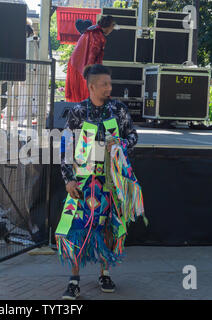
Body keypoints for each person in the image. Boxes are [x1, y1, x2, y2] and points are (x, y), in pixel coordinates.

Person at [56, 64, 146, 300]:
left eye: (110, 83)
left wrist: (120, 145)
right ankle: (74, 280)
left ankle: (105, 273)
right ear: (92, 86)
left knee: (108, 227)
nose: (109, 88)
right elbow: (66, 146)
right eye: (104, 84)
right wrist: (69, 180)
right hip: (83, 181)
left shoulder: (118, 110)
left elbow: (133, 136)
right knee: (77, 228)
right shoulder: (78, 112)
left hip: (111, 181)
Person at [65, 15, 116, 103]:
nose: (112, 29)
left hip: (76, 65)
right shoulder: (98, 36)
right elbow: (92, 55)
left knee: (81, 97)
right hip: (82, 68)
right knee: (90, 95)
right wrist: (92, 73)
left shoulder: (92, 30)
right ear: (108, 26)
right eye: (112, 26)